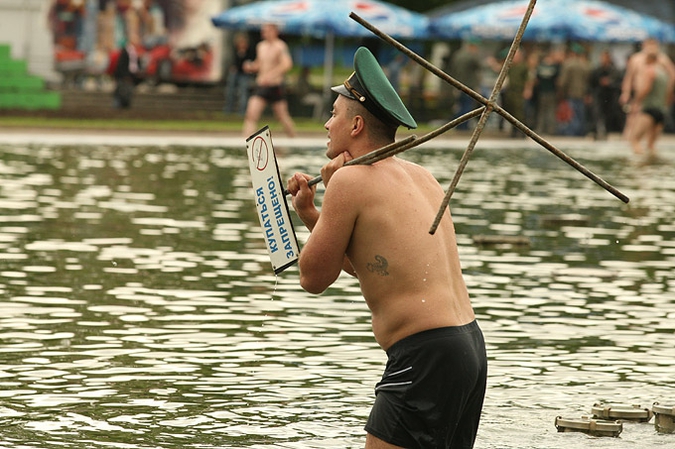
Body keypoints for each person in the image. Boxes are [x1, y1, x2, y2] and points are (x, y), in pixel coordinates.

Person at [286, 47, 487, 449]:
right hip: (467, 349)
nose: (327, 124)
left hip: (424, 355)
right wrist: (311, 213)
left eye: (334, 114)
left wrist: (330, 198)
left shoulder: (349, 182)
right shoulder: (421, 175)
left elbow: (313, 278)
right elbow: (373, 266)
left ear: (357, 124)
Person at [242, 23, 296, 138]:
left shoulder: (280, 46)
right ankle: (246, 140)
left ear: (274, 31)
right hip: (262, 85)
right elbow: (260, 64)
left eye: (267, 31)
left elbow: (287, 64)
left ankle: (294, 139)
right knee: (251, 114)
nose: (264, 33)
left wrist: (272, 75)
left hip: (275, 85)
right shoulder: (261, 46)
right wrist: (251, 66)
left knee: (282, 116)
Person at [620, 38, 675, 141]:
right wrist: (625, 93)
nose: (651, 48)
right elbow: (629, 78)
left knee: (653, 127)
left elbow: (672, 76)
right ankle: (631, 144)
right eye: (649, 45)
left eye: (654, 45)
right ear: (644, 46)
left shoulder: (663, 59)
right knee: (633, 123)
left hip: (655, 97)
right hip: (639, 94)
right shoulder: (636, 59)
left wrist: (669, 93)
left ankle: (644, 146)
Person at [628, 47, 673, 158]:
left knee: (635, 140)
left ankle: (639, 169)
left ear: (649, 59)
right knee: (651, 145)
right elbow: (669, 93)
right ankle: (654, 167)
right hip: (662, 111)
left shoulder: (650, 71)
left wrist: (636, 101)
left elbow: (646, 89)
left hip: (649, 110)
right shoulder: (664, 74)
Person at [556, 43, 591, 136]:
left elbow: (563, 82)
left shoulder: (568, 64)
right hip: (582, 94)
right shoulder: (585, 65)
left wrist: (561, 93)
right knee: (580, 114)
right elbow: (588, 81)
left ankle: (572, 133)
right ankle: (580, 132)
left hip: (571, 93)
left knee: (572, 114)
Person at [448, 39, 483, 130]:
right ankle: (463, 126)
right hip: (469, 85)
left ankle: (457, 124)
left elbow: (453, 69)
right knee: (467, 106)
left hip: (458, 84)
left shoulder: (457, 55)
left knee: (460, 105)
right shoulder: (471, 56)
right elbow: (479, 66)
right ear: (472, 47)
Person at [589, 50, 622, 140]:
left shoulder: (614, 71)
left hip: (610, 96)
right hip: (599, 95)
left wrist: (609, 83)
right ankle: (596, 132)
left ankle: (606, 132)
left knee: (608, 115)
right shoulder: (597, 70)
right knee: (597, 114)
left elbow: (619, 83)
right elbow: (591, 83)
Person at [224, 32, 255, 115]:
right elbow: (234, 63)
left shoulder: (250, 51)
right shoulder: (235, 51)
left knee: (243, 92)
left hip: (245, 74)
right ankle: (228, 110)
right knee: (230, 91)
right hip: (236, 73)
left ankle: (242, 112)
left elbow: (250, 64)